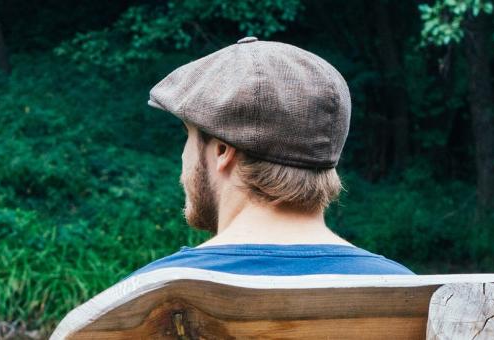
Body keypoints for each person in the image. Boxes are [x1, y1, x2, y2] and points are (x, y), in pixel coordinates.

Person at [130, 37, 413, 277]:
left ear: (222, 151)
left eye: (188, 137)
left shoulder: (147, 296)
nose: (183, 156)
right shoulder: (410, 292)